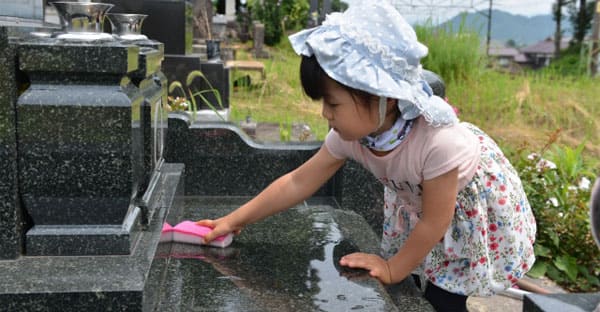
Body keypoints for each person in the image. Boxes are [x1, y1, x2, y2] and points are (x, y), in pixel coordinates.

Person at [197, 2, 536, 311]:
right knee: (422, 279)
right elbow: (298, 182)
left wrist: (393, 268)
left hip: (464, 208)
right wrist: (233, 221)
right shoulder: (354, 135)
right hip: (424, 201)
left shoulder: (437, 142)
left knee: (444, 295)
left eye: (333, 104)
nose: (325, 114)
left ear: (385, 97)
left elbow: (436, 221)